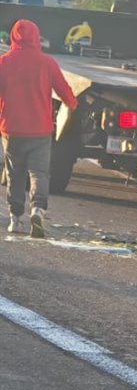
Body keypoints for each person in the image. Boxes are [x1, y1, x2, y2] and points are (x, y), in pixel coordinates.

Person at [0, 19, 77, 237]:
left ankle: (15, 219)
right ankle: (38, 209)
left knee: (14, 173)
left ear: (13, 37)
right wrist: (71, 105)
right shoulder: (47, 63)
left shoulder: (4, 62)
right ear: (36, 37)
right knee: (39, 173)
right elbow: (66, 94)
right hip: (40, 130)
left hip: (11, 129)